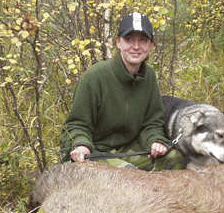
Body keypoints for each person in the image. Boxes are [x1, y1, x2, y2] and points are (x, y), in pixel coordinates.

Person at [60, 12, 183, 170]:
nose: (136, 46)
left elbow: (152, 122)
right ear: (118, 42)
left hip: (127, 149)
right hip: (95, 151)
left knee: (175, 158)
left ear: (151, 45)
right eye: (129, 39)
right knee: (128, 175)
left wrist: (155, 141)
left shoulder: (149, 76)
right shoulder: (94, 77)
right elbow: (76, 125)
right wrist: (81, 144)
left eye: (143, 40)